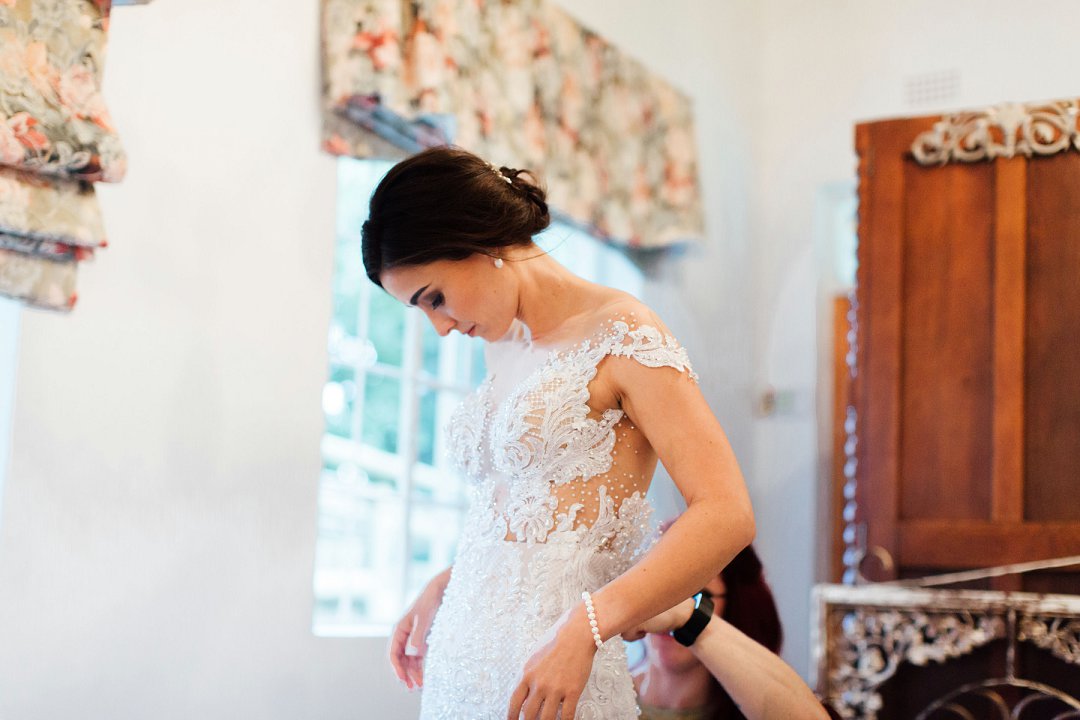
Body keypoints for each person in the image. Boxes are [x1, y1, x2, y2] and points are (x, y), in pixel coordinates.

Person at [363, 146, 755, 720]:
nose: (441, 327)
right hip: (463, 669)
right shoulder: (502, 346)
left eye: (436, 298)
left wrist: (587, 626)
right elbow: (538, 523)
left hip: (560, 671)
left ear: (481, 241)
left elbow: (727, 513)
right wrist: (450, 580)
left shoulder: (623, 333)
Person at [628, 544, 829, 720]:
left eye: (698, 595)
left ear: (735, 607)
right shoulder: (602, 694)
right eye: (657, 587)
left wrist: (691, 617)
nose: (666, 605)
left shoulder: (762, 707)